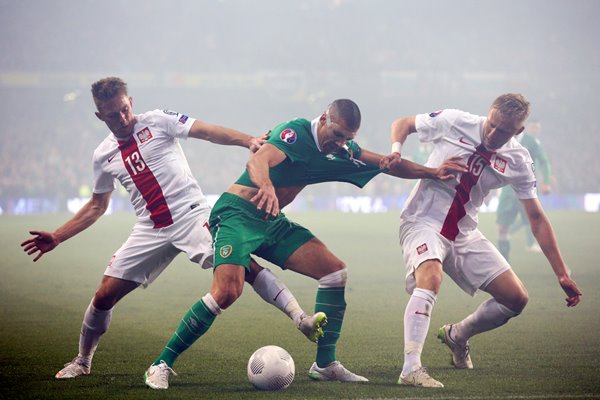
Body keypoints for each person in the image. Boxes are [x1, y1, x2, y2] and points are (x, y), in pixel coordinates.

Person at [144, 98, 467, 390]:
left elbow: (388, 163)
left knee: (334, 272)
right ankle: (161, 364)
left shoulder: (341, 149)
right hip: (236, 214)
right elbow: (257, 162)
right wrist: (267, 187)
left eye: (347, 139)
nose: (340, 143)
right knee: (227, 292)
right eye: (337, 133)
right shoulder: (295, 132)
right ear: (325, 117)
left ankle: (325, 364)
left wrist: (433, 171)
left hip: (271, 221)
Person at [20, 77, 325, 380]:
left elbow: (205, 131)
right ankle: (82, 362)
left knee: (243, 266)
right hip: (149, 228)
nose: (122, 119)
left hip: (193, 216)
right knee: (102, 297)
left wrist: (247, 140)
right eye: (112, 115)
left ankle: (300, 319)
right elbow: (98, 205)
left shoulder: (157, 120)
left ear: (131, 103)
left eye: (124, 110)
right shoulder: (102, 155)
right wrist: (58, 236)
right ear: (100, 115)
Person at [381, 94, 582, 388]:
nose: (492, 133)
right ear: (488, 115)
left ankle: (457, 335)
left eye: (502, 131)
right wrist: (396, 150)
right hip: (423, 221)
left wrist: (562, 273)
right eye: (491, 124)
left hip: (463, 233)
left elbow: (536, 217)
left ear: (518, 132)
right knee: (431, 277)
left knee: (516, 299)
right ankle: (411, 368)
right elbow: (403, 123)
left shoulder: (518, 160)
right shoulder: (454, 121)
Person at [496, 120, 553, 260]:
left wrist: (546, 181)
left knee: (534, 219)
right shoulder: (501, 139)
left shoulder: (531, 141)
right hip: (507, 189)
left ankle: (557, 266)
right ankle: (504, 262)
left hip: (526, 188)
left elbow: (544, 161)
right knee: (502, 226)